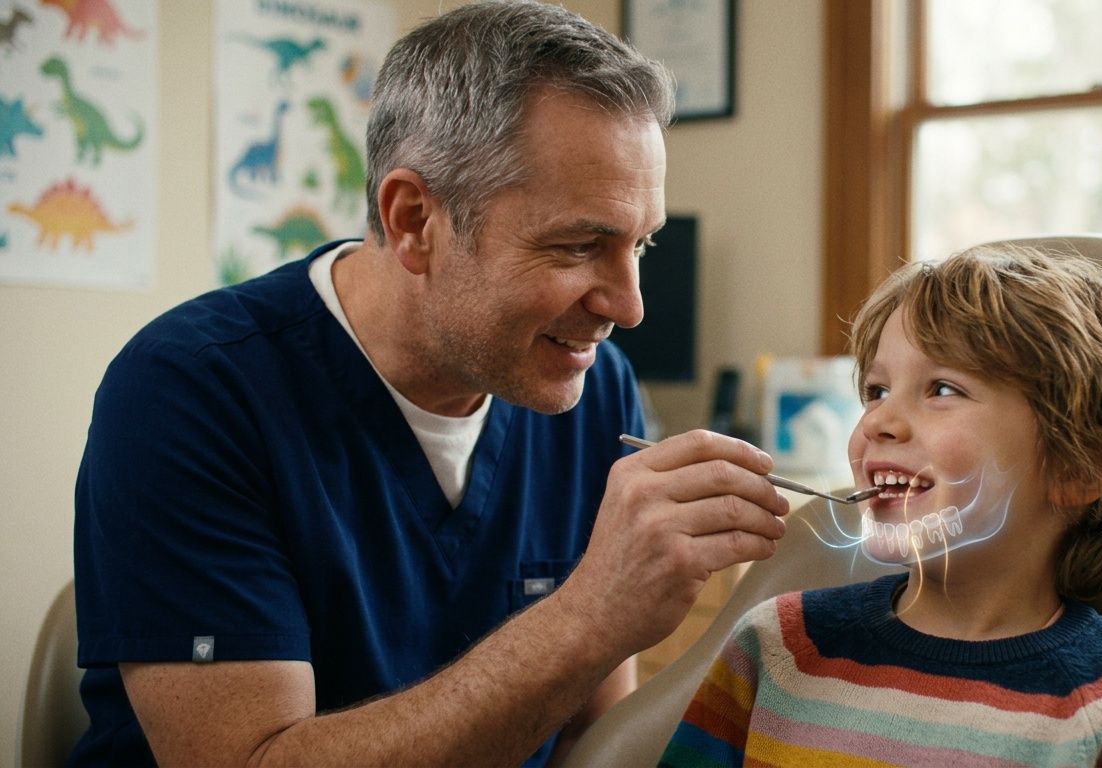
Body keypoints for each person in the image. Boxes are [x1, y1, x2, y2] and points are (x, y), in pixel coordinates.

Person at [71, 3, 791, 766]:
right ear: (415, 219)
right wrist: (589, 616)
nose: (630, 306)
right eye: (582, 244)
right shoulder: (191, 393)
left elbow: (590, 743)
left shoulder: (592, 389)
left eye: (641, 243)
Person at [659, 243, 1102, 766]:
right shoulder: (776, 648)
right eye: (876, 391)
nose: (876, 421)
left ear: (1080, 467)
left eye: (942, 389)